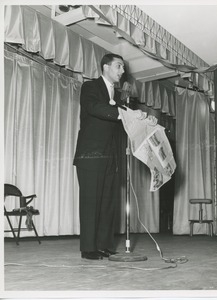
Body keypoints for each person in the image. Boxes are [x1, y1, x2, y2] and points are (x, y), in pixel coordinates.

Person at [73, 53, 125, 260]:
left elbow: (121, 119)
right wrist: (122, 113)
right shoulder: (90, 87)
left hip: (110, 157)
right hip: (90, 155)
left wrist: (139, 118)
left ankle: (104, 245)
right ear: (105, 67)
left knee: (107, 202)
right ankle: (88, 248)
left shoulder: (118, 97)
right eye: (119, 66)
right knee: (90, 201)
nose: (122, 71)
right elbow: (94, 108)